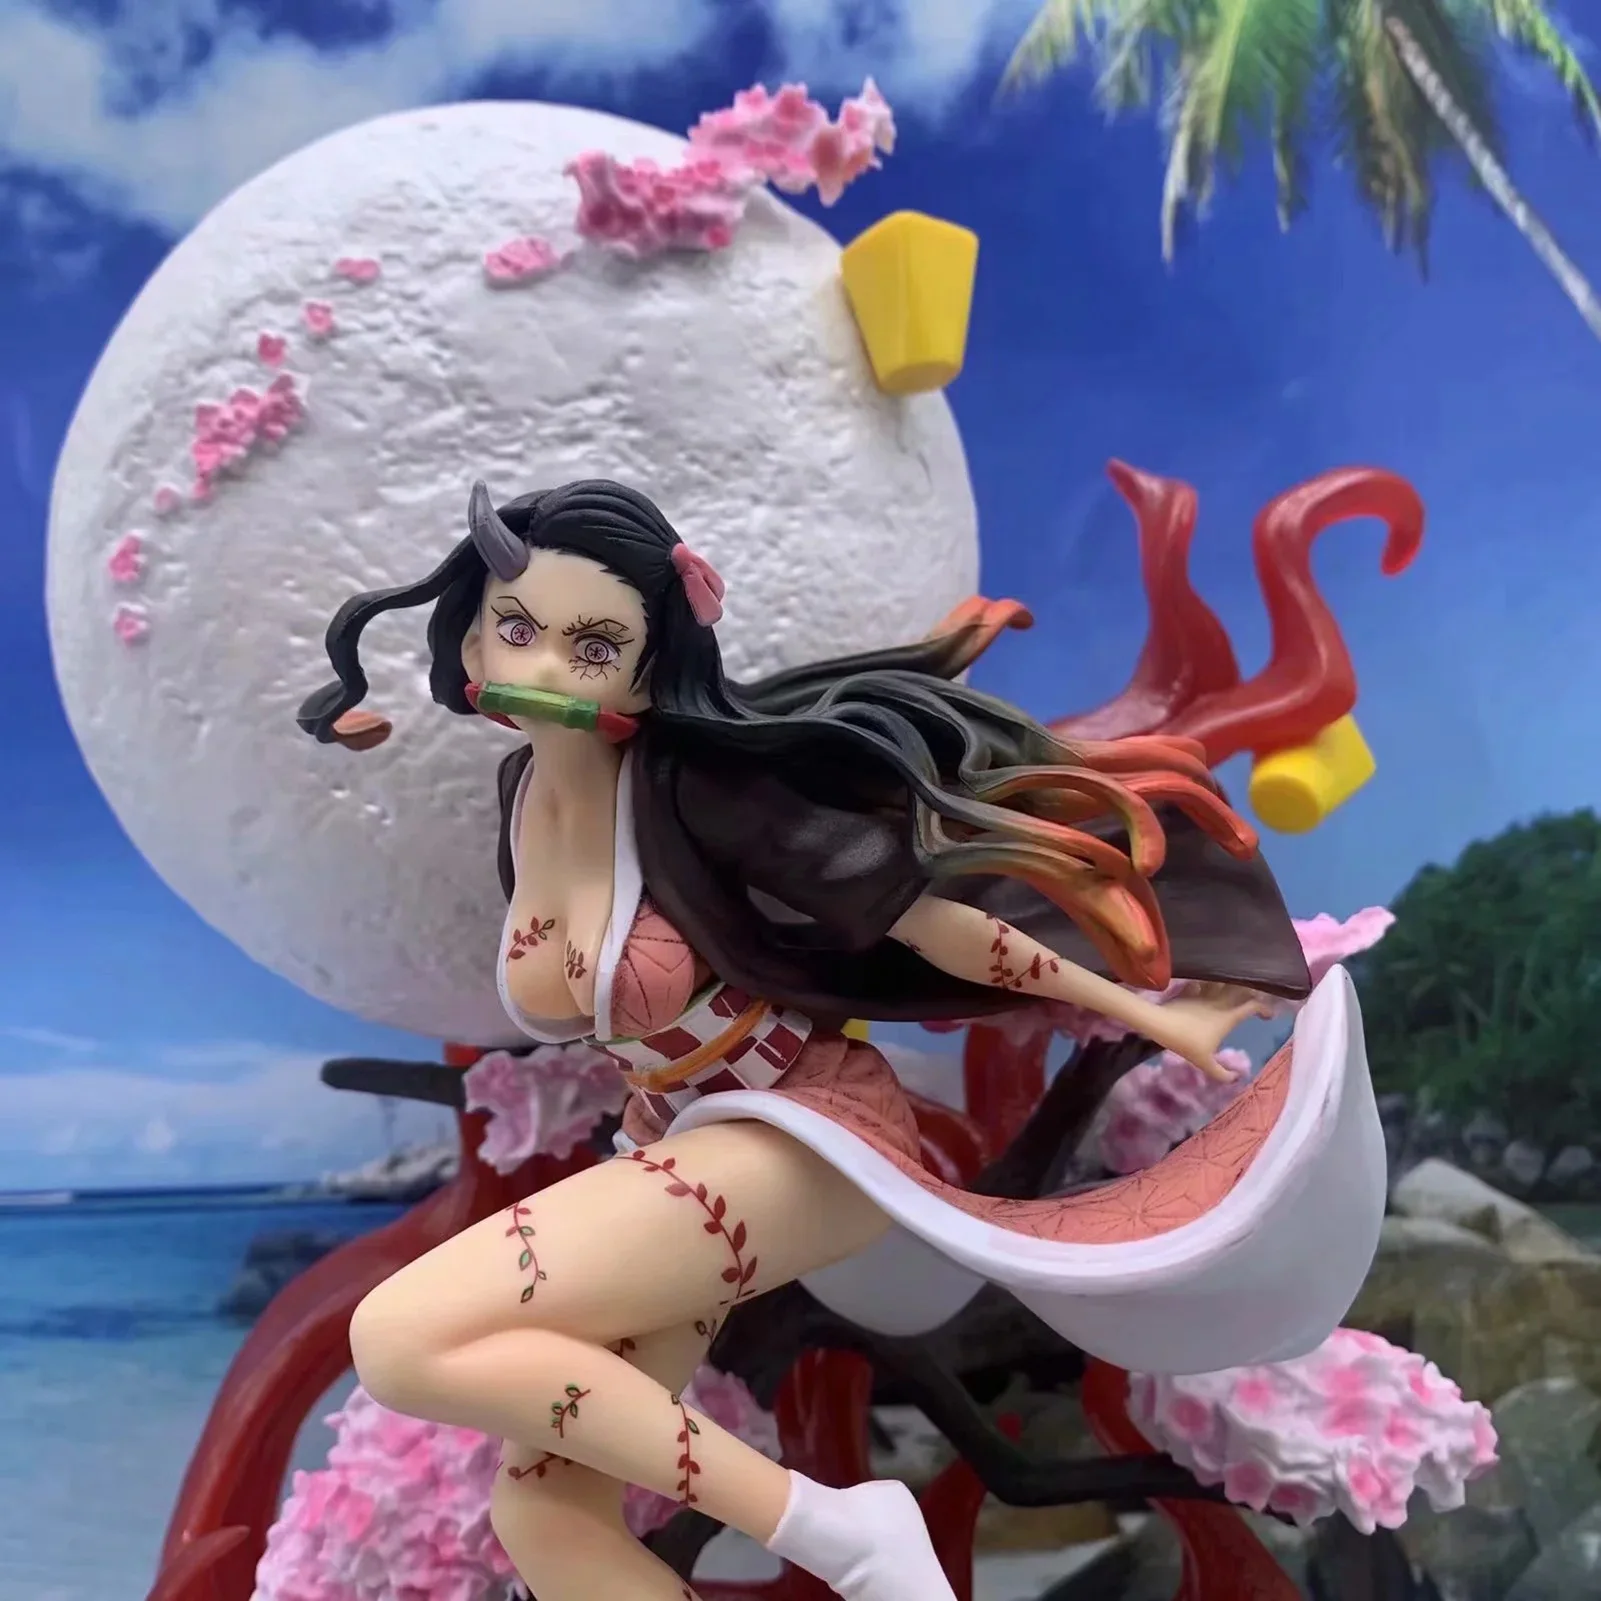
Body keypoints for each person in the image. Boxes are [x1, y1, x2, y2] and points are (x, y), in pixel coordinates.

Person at [295, 478, 1381, 1601]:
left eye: (594, 646)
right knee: (546, 1509)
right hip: (673, 1140)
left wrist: (1148, 1009)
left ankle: (837, 1525)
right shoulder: (523, 790)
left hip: (800, 1130)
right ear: (474, 634)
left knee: (400, 1336)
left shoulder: (693, 787)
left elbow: (923, 919)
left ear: (643, 674)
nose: (546, 667)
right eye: (517, 628)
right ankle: (832, 1533)